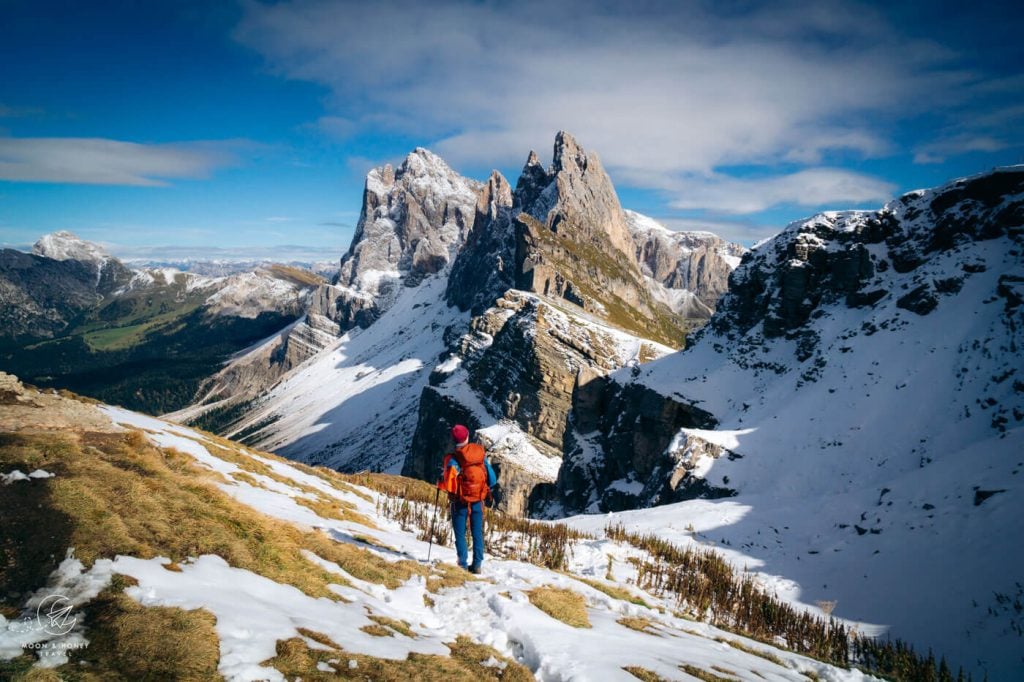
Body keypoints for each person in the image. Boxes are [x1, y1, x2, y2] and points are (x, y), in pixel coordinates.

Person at [437, 424, 500, 573]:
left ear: (453, 440)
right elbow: (492, 480)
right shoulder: (479, 454)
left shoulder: (453, 459)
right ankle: (477, 564)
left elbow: (449, 485)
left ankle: (463, 565)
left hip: (460, 502)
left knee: (460, 533)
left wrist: (440, 482)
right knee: (477, 532)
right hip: (478, 499)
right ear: (467, 437)